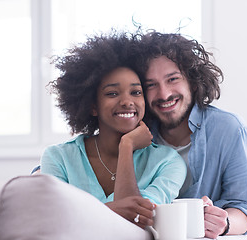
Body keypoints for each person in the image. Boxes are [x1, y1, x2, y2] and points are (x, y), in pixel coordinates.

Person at [40, 31, 186, 229]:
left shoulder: (167, 162)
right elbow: (52, 221)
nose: (127, 102)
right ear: (92, 106)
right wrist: (113, 210)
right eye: (112, 93)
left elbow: (136, 222)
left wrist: (126, 146)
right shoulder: (58, 158)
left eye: (136, 92)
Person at [133, 31, 247, 238]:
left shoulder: (230, 129)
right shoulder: (134, 133)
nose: (164, 94)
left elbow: (246, 206)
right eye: (151, 85)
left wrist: (224, 222)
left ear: (192, 81)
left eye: (172, 79)